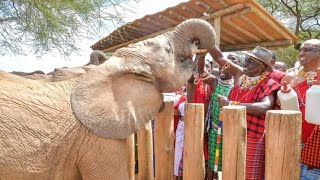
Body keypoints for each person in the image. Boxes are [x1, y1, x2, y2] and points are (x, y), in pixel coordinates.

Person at [206, 45, 281, 179]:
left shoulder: (269, 83)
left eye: (250, 61)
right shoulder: (241, 74)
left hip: (252, 136)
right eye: (246, 59)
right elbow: (219, 57)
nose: (245, 63)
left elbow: (265, 106)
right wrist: (207, 40)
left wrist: (231, 104)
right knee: (231, 170)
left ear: (261, 66)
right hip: (232, 131)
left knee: (248, 174)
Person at [282, 39, 320, 179]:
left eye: (308, 49)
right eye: (301, 50)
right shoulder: (289, 77)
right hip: (293, 140)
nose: (301, 53)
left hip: (316, 144)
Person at [199, 57, 234, 180]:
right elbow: (201, 71)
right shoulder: (215, 83)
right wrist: (202, 54)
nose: (223, 68)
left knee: (228, 166)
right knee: (212, 167)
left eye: (228, 65)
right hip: (214, 131)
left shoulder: (237, 87)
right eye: (222, 66)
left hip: (230, 133)